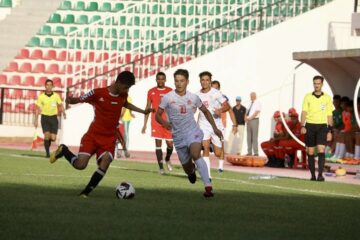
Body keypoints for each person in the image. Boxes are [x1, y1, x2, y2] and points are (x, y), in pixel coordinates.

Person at [49, 71, 152, 197]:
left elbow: (125, 103)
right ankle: (64, 150)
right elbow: (80, 99)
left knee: (106, 160)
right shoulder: (98, 93)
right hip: (93, 136)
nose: (127, 90)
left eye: (128, 88)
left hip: (109, 139)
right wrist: (70, 99)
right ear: (118, 83)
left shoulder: (123, 94)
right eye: (126, 87)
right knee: (80, 165)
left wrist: (142, 111)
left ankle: (85, 193)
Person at [155, 69, 223, 198]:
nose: (179, 83)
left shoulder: (193, 97)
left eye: (182, 81)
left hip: (193, 132)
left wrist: (215, 128)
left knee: (195, 153)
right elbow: (157, 115)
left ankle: (208, 186)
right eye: (177, 81)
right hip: (178, 137)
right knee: (188, 169)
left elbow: (206, 112)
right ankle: (191, 171)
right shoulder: (168, 97)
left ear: (187, 82)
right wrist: (164, 123)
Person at [196, 71, 234, 177]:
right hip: (203, 125)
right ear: (200, 81)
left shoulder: (216, 93)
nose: (205, 82)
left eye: (207, 80)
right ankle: (207, 176)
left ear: (210, 81)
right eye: (202, 80)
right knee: (205, 147)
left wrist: (220, 110)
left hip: (216, 126)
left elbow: (227, 106)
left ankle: (216, 149)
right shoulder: (197, 95)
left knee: (218, 153)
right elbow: (194, 109)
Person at [301, 75, 333, 181]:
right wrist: (302, 125)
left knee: (321, 149)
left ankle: (320, 175)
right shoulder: (307, 96)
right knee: (310, 151)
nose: (316, 85)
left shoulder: (327, 98)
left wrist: (330, 130)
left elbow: (329, 115)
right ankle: (312, 175)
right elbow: (304, 111)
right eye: (315, 83)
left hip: (322, 126)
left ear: (322, 84)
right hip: (310, 125)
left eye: (318, 83)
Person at [142, 72, 174, 174]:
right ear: (156, 80)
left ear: (165, 80)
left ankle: (167, 158)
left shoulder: (170, 91)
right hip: (156, 122)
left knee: (170, 144)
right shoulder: (151, 91)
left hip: (168, 122)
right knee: (158, 144)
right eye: (158, 79)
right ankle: (160, 167)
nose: (160, 81)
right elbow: (147, 107)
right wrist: (144, 124)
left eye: (162, 79)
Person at [34, 79, 66, 157]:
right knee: (47, 135)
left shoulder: (56, 96)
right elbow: (37, 108)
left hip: (53, 118)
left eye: (50, 85)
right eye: (47, 85)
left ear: (52, 86)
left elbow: (60, 105)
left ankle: (47, 142)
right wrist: (35, 119)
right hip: (44, 118)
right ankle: (47, 154)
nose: (48, 87)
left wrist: (64, 112)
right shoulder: (41, 96)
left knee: (53, 138)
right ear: (45, 86)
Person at [210, 79, 237, 171]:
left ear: (219, 89)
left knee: (220, 146)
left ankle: (220, 166)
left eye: (216, 88)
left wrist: (234, 125)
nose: (214, 90)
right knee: (203, 144)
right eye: (212, 88)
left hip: (221, 125)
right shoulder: (207, 96)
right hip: (208, 125)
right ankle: (202, 164)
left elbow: (230, 110)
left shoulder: (223, 98)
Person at [245, 92, 261, 156]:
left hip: (254, 120)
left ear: (255, 96)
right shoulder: (249, 103)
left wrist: (250, 118)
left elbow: (257, 112)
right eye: (250, 95)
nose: (251, 97)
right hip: (248, 121)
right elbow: (247, 111)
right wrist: (245, 118)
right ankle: (249, 152)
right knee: (248, 137)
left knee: (254, 137)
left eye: (252, 95)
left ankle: (256, 152)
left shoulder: (258, 103)